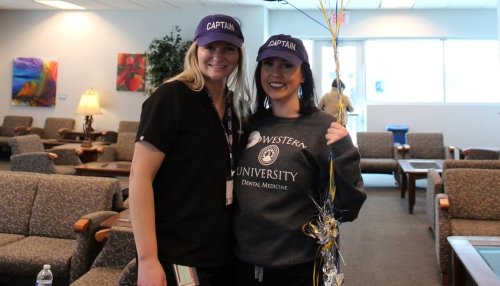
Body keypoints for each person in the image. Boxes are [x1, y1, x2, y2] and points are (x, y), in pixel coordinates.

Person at [129, 14, 253, 286]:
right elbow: (139, 178)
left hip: (223, 251)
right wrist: (148, 260)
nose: (218, 56)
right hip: (177, 252)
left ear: (239, 55)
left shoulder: (238, 107)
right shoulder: (171, 97)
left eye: (228, 49)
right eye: (210, 47)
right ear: (196, 49)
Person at [232, 34, 367, 286]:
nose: (276, 73)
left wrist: (346, 152)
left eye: (287, 65)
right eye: (268, 64)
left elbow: (349, 208)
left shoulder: (324, 128)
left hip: (300, 267)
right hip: (243, 263)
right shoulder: (249, 123)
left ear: (303, 74)